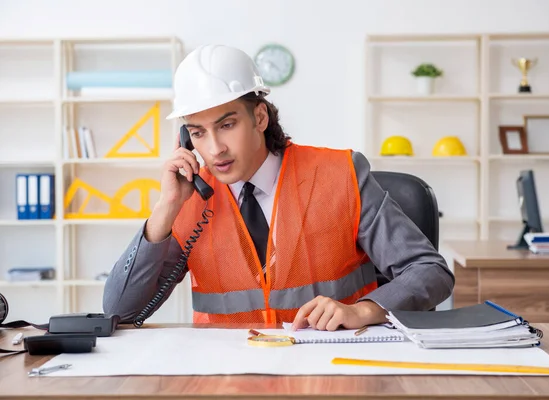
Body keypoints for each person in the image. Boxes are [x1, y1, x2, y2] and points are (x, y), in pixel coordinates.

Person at [102, 44, 454, 331]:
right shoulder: (191, 199)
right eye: (197, 133)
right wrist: (165, 210)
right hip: (224, 378)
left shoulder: (341, 174)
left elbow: (430, 271)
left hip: (331, 372)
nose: (214, 149)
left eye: (226, 125)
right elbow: (119, 311)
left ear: (259, 117)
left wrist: (363, 311)